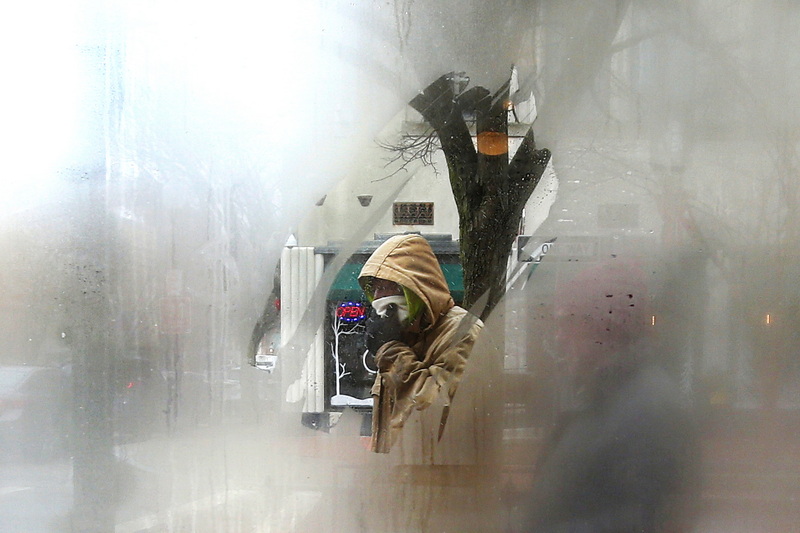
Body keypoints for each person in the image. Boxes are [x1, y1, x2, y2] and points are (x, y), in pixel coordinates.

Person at [524, 259, 699, 532]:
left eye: (569, 321)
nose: (559, 337)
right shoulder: (607, 396)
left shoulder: (649, 411)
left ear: (606, 327)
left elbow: (639, 520)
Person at [358, 234, 483, 453]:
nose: (378, 298)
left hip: (444, 476)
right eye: (374, 289)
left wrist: (390, 352)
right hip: (402, 474)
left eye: (387, 287)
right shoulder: (402, 336)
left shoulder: (462, 332)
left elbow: (436, 409)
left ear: (415, 289)